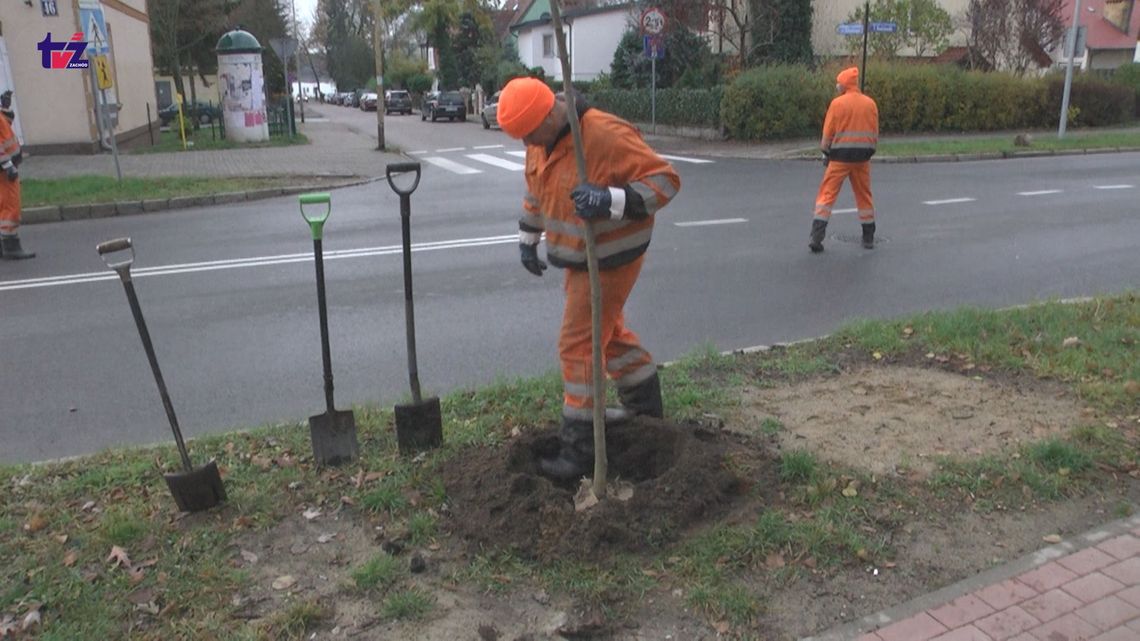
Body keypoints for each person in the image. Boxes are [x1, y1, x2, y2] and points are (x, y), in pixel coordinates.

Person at [496, 77, 680, 481]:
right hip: (579, 258)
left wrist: (610, 199)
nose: (526, 144)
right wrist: (529, 236)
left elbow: (665, 181)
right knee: (608, 333)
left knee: (577, 343)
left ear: (548, 113)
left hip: (612, 256)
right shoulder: (540, 145)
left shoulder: (601, 134)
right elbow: (537, 190)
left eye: (528, 133)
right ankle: (646, 412)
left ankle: (579, 450)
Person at [810, 66, 879, 253]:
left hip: (839, 158)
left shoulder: (837, 104)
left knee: (827, 195)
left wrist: (825, 152)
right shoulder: (870, 104)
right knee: (864, 196)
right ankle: (868, 237)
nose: (837, 87)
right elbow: (874, 133)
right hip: (862, 158)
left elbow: (827, 134)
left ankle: (817, 236)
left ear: (844, 85)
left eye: (838, 84)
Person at [0, 96, 33, 260]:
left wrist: (6, 108)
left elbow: (5, 126)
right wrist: (8, 166)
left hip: (5, 169)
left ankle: (3, 244)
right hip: (4, 171)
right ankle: (10, 244)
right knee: (11, 206)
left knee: (3, 206)